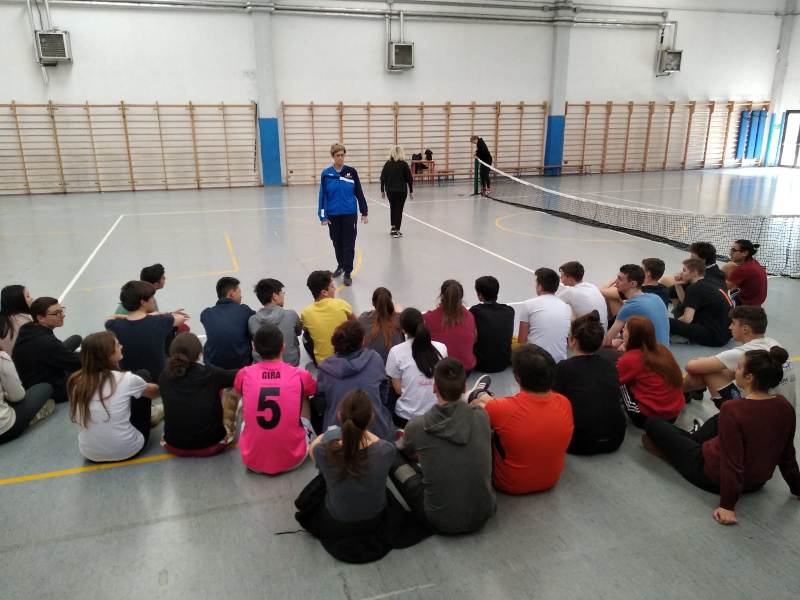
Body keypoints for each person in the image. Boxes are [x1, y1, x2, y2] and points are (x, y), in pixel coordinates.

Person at [643, 347, 800, 525]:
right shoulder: (784, 406)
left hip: (711, 475)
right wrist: (797, 487)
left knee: (654, 423)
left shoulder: (733, 409)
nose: (734, 371)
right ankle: (686, 442)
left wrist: (727, 506)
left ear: (749, 377)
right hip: (757, 481)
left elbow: (732, 461)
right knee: (717, 422)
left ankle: (677, 449)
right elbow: (787, 453)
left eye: (739, 368)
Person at [295, 389, 429, 564]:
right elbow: (373, 441)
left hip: (338, 521)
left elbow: (314, 447)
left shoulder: (322, 451)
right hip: (375, 520)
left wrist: (333, 433)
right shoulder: (386, 450)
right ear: (371, 418)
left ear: (339, 415)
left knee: (321, 483)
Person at [391, 358, 496, 533]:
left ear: (434, 388)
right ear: (464, 388)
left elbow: (403, 450)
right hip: (483, 512)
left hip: (440, 521)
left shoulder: (417, 426)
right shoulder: (482, 416)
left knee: (391, 453)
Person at [471, 344, 574, 494]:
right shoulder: (564, 402)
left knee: (481, 413)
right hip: (550, 480)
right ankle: (482, 394)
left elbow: (475, 414)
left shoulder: (504, 410)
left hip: (509, 484)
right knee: (500, 413)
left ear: (517, 378)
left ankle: (478, 393)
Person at [234, 324, 317, 475]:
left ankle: (256, 440)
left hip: (252, 461)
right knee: (303, 394)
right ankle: (305, 434)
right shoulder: (300, 375)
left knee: (245, 396)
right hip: (293, 458)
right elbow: (313, 390)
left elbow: (239, 393)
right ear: (283, 347)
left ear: (254, 348)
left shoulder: (244, 373)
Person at [68, 331, 160, 463]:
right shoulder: (127, 379)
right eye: (117, 345)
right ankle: (153, 414)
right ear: (109, 354)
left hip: (90, 453)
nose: (121, 346)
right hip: (128, 450)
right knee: (143, 375)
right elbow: (155, 393)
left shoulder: (75, 381)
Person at [684, 306, 796, 407]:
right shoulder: (773, 344)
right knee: (726, 370)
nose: (730, 327)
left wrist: (703, 361)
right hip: (784, 412)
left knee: (709, 372)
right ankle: (683, 393)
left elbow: (691, 366)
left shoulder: (744, 353)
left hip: (758, 415)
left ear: (745, 329)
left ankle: (676, 395)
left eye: (733, 323)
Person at [554, 312, 625, 455]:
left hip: (577, 443)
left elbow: (553, 402)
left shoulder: (563, 367)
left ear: (573, 341)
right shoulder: (610, 366)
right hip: (615, 438)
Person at [159, 333, 239, 457]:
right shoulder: (210, 373)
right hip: (211, 446)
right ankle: (228, 426)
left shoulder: (164, 375)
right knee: (231, 388)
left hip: (173, 445)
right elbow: (240, 375)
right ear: (200, 354)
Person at [317, 320, 392, 440]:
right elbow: (384, 391)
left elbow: (322, 401)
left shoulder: (325, 368)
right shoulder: (374, 359)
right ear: (362, 341)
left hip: (336, 432)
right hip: (376, 430)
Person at [105, 281, 189, 382]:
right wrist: (154, 314)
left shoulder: (113, 326)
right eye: (152, 297)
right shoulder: (160, 321)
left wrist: (125, 317)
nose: (153, 300)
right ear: (143, 302)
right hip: (158, 378)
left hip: (131, 380)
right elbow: (181, 318)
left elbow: (109, 319)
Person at [12, 297, 82, 404]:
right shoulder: (46, 342)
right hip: (49, 387)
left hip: (32, 376)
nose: (63, 315)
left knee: (75, 340)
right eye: (57, 313)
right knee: (91, 373)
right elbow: (78, 364)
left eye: (62, 310)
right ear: (41, 318)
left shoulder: (28, 328)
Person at [617, 316, 684, 427]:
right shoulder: (661, 349)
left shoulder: (631, 359)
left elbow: (613, 381)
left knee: (617, 381)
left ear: (631, 336)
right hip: (673, 414)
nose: (623, 330)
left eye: (625, 328)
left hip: (646, 417)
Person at [385, 308, 447, 427]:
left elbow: (398, 389)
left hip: (406, 418)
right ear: (424, 322)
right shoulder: (441, 348)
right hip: (437, 415)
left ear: (403, 330)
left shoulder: (395, 352)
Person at [318, 143, 368, 286]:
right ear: (333, 156)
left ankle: (347, 272)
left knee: (349, 244)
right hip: (333, 215)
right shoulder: (326, 174)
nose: (340, 158)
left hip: (349, 214)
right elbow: (323, 196)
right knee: (336, 242)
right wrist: (323, 216)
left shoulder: (351, 172)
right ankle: (340, 265)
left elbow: (359, 192)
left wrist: (364, 212)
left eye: (342, 155)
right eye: (337, 155)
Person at [603, 264, 670, 349]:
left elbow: (607, 342)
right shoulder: (656, 298)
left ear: (633, 284)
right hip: (664, 351)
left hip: (650, 355)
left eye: (620, 279)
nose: (616, 282)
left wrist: (614, 343)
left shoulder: (630, 307)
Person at [669, 258, 733, 347]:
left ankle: (685, 337)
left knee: (665, 321)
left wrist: (674, 324)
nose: (680, 273)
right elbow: (687, 304)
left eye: (684, 270)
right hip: (726, 334)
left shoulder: (695, 288)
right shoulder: (709, 282)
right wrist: (677, 285)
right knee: (680, 311)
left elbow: (687, 319)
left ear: (694, 273)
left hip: (713, 336)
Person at [517, 268, 571, 363]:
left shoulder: (528, 304)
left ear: (540, 287)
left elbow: (522, 340)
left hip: (536, 362)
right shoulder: (566, 307)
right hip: (560, 361)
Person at [0, 350, 54, 445]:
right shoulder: (2, 358)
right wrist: (4, 394)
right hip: (6, 429)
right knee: (44, 387)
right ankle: (31, 418)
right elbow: (18, 396)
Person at [300, 270, 354, 365]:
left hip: (324, 364)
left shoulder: (306, 313)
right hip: (347, 359)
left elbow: (304, 328)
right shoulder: (341, 304)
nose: (335, 288)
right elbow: (356, 322)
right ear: (324, 292)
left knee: (306, 335)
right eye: (332, 286)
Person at [200, 276, 255, 369]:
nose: (241, 296)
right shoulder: (245, 311)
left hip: (214, 368)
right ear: (231, 294)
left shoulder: (206, 314)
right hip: (241, 366)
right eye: (239, 292)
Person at [424, 280, 477, 372]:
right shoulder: (470, 316)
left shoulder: (428, 318)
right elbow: (474, 339)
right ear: (461, 297)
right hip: (465, 370)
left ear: (442, 296)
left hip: (441, 371)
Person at [249, 278, 302, 366]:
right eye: (282, 293)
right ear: (275, 296)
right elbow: (299, 332)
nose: (283, 295)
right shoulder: (291, 315)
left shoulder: (252, 320)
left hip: (263, 368)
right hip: (290, 364)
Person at [469, 276, 514, 373]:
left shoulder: (474, 311)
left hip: (481, 364)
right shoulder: (509, 310)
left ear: (480, 295)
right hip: (503, 362)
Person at [601, 258, 669, 317]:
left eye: (642, 269)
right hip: (651, 323)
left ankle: (608, 323)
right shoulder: (664, 289)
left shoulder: (640, 290)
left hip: (637, 325)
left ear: (648, 274)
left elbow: (602, 291)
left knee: (612, 298)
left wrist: (616, 280)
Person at [556, 261, 609, 330]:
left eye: (562, 276)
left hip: (589, 334)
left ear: (570, 279)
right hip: (602, 331)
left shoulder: (570, 292)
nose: (560, 278)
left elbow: (551, 303)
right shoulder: (592, 286)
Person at [358, 287, 404, 364]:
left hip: (372, 366)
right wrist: (401, 313)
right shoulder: (400, 318)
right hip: (397, 365)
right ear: (390, 302)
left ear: (373, 303)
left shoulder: (363, 318)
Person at [380, 145, 414, 238]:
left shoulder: (387, 164)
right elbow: (409, 179)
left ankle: (393, 227)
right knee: (399, 209)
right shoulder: (404, 164)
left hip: (390, 191)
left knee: (393, 208)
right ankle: (397, 230)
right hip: (401, 191)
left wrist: (382, 190)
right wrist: (411, 191)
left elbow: (383, 178)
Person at [723, 239, 768, 307]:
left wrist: (722, 270)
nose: (730, 253)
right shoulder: (754, 263)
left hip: (745, 307)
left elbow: (722, 288)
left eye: (734, 250)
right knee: (731, 268)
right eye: (731, 250)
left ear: (745, 253)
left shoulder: (743, 269)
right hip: (757, 304)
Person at [0, 285, 33, 354]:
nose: (31, 298)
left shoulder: (3, 320)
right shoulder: (25, 321)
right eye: (27, 296)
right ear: (19, 301)